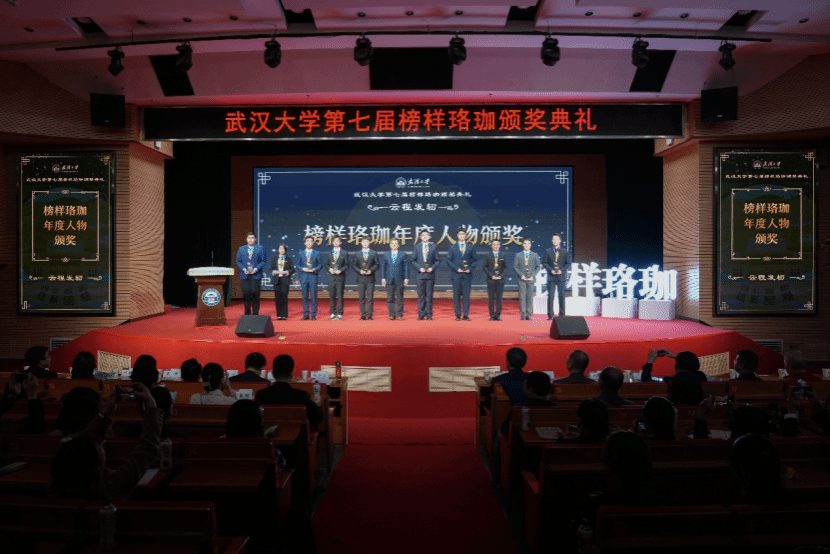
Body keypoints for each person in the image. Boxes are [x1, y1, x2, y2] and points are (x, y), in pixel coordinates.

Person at [51, 382, 162, 500]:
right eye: (98, 448)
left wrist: (106, 411)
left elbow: (83, 444)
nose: (98, 445)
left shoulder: (56, 485)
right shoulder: (112, 485)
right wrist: (151, 404)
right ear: (97, 467)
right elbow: (148, 447)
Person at [255, 354, 324, 430]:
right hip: (297, 437)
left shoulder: (261, 395)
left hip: (269, 436)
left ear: (273, 374)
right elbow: (319, 417)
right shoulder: (301, 396)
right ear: (292, 373)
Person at [446, 227, 478, 321]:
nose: (462, 236)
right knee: (456, 296)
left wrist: (470, 269)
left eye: (463, 234)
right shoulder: (452, 247)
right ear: (457, 235)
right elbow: (448, 260)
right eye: (460, 234)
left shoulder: (471, 247)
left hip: (467, 275)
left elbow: (475, 261)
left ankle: (466, 315)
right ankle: (458, 315)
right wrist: (457, 269)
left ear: (466, 235)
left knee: (466, 296)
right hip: (456, 275)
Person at [236, 231, 267, 316]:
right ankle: (247, 313)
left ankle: (255, 313)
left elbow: (263, 261)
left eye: (252, 238)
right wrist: (243, 269)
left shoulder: (260, 248)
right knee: (246, 294)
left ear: (255, 239)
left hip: (256, 275)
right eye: (249, 238)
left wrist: (256, 269)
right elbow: (238, 261)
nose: (250, 239)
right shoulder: (241, 249)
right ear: (246, 239)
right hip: (245, 275)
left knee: (255, 294)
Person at [412, 229, 439, 320]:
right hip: (420, 275)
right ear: (420, 237)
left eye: (426, 235)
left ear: (429, 237)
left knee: (429, 296)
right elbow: (413, 260)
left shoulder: (433, 247)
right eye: (423, 235)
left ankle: (429, 314)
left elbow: (437, 260)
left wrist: (432, 268)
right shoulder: (417, 247)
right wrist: (419, 268)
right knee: (421, 296)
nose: (424, 236)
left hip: (430, 275)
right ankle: (421, 314)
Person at [542, 233, 570, 319]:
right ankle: (550, 315)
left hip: (561, 277)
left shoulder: (564, 251)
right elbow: (544, 263)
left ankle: (562, 314)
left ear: (560, 240)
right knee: (551, 296)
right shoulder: (548, 251)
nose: (555, 241)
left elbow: (568, 263)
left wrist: (562, 270)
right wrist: (551, 270)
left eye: (556, 239)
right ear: (552, 240)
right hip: (551, 277)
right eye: (553, 239)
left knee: (561, 296)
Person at [380, 238, 409, 320]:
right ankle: (391, 315)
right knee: (390, 298)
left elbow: (406, 267)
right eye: (392, 243)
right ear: (390, 245)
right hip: (389, 279)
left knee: (400, 298)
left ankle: (399, 315)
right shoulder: (386, 254)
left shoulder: (403, 254)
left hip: (400, 278)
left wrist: (406, 278)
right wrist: (383, 278)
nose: (394, 245)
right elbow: (383, 267)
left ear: (398, 245)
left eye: (395, 243)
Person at [640, 348, 707, 384]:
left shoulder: (673, 380)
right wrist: (676, 357)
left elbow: (646, 381)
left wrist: (650, 361)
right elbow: (692, 366)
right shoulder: (701, 376)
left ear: (677, 367)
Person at [514, 237, 541, 320]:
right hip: (521, 279)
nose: (526, 245)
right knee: (522, 297)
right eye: (525, 244)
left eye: (528, 244)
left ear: (530, 245)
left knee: (530, 297)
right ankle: (523, 315)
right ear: (523, 245)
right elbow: (515, 267)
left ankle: (529, 314)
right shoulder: (518, 255)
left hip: (531, 279)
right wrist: (521, 275)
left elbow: (538, 266)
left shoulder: (534, 255)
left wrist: (533, 275)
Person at [352, 236, 379, 320]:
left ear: (369, 243)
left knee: (370, 298)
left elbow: (377, 264)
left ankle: (370, 315)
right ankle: (363, 315)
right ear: (361, 243)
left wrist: (371, 270)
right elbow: (354, 265)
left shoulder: (373, 253)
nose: (365, 243)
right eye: (364, 242)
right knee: (361, 298)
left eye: (367, 242)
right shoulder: (357, 253)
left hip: (370, 278)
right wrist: (359, 271)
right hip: (361, 278)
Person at [298, 235, 323, 320]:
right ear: (305, 243)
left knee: (313, 297)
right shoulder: (300, 253)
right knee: (304, 297)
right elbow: (297, 265)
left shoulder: (317, 253)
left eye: (311, 241)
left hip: (313, 276)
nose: (309, 242)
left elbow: (320, 265)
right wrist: (302, 268)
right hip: (304, 277)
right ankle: (306, 314)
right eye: (307, 241)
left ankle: (313, 315)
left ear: (313, 243)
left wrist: (315, 269)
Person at [483, 238, 507, 321]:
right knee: (491, 298)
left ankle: (498, 314)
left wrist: (501, 276)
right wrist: (491, 275)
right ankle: (492, 315)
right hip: (491, 280)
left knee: (499, 298)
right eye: (494, 244)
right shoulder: (488, 255)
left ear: (499, 246)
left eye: (497, 244)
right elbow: (484, 267)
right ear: (491, 246)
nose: (495, 246)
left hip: (500, 280)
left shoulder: (503, 255)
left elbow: (506, 267)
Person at [269, 243, 295, 320]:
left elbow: (292, 269)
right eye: (280, 248)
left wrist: (286, 272)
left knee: (284, 297)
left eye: (283, 248)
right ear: (278, 250)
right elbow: (271, 268)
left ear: (285, 250)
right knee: (277, 297)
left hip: (285, 279)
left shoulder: (289, 258)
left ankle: (284, 315)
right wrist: (274, 272)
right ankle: (279, 315)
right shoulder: (275, 258)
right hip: (276, 280)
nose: (282, 250)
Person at [325, 236, 349, 320]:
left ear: (340, 242)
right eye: (334, 241)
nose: (336, 242)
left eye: (337, 241)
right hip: (331, 277)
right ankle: (332, 313)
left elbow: (347, 265)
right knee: (332, 295)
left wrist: (340, 270)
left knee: (340, 295)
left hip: (340, 277)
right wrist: (329, 269)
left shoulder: (344, 253)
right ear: (332, 242)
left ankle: (340, 314)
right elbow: (326, 264)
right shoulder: (329, 253)